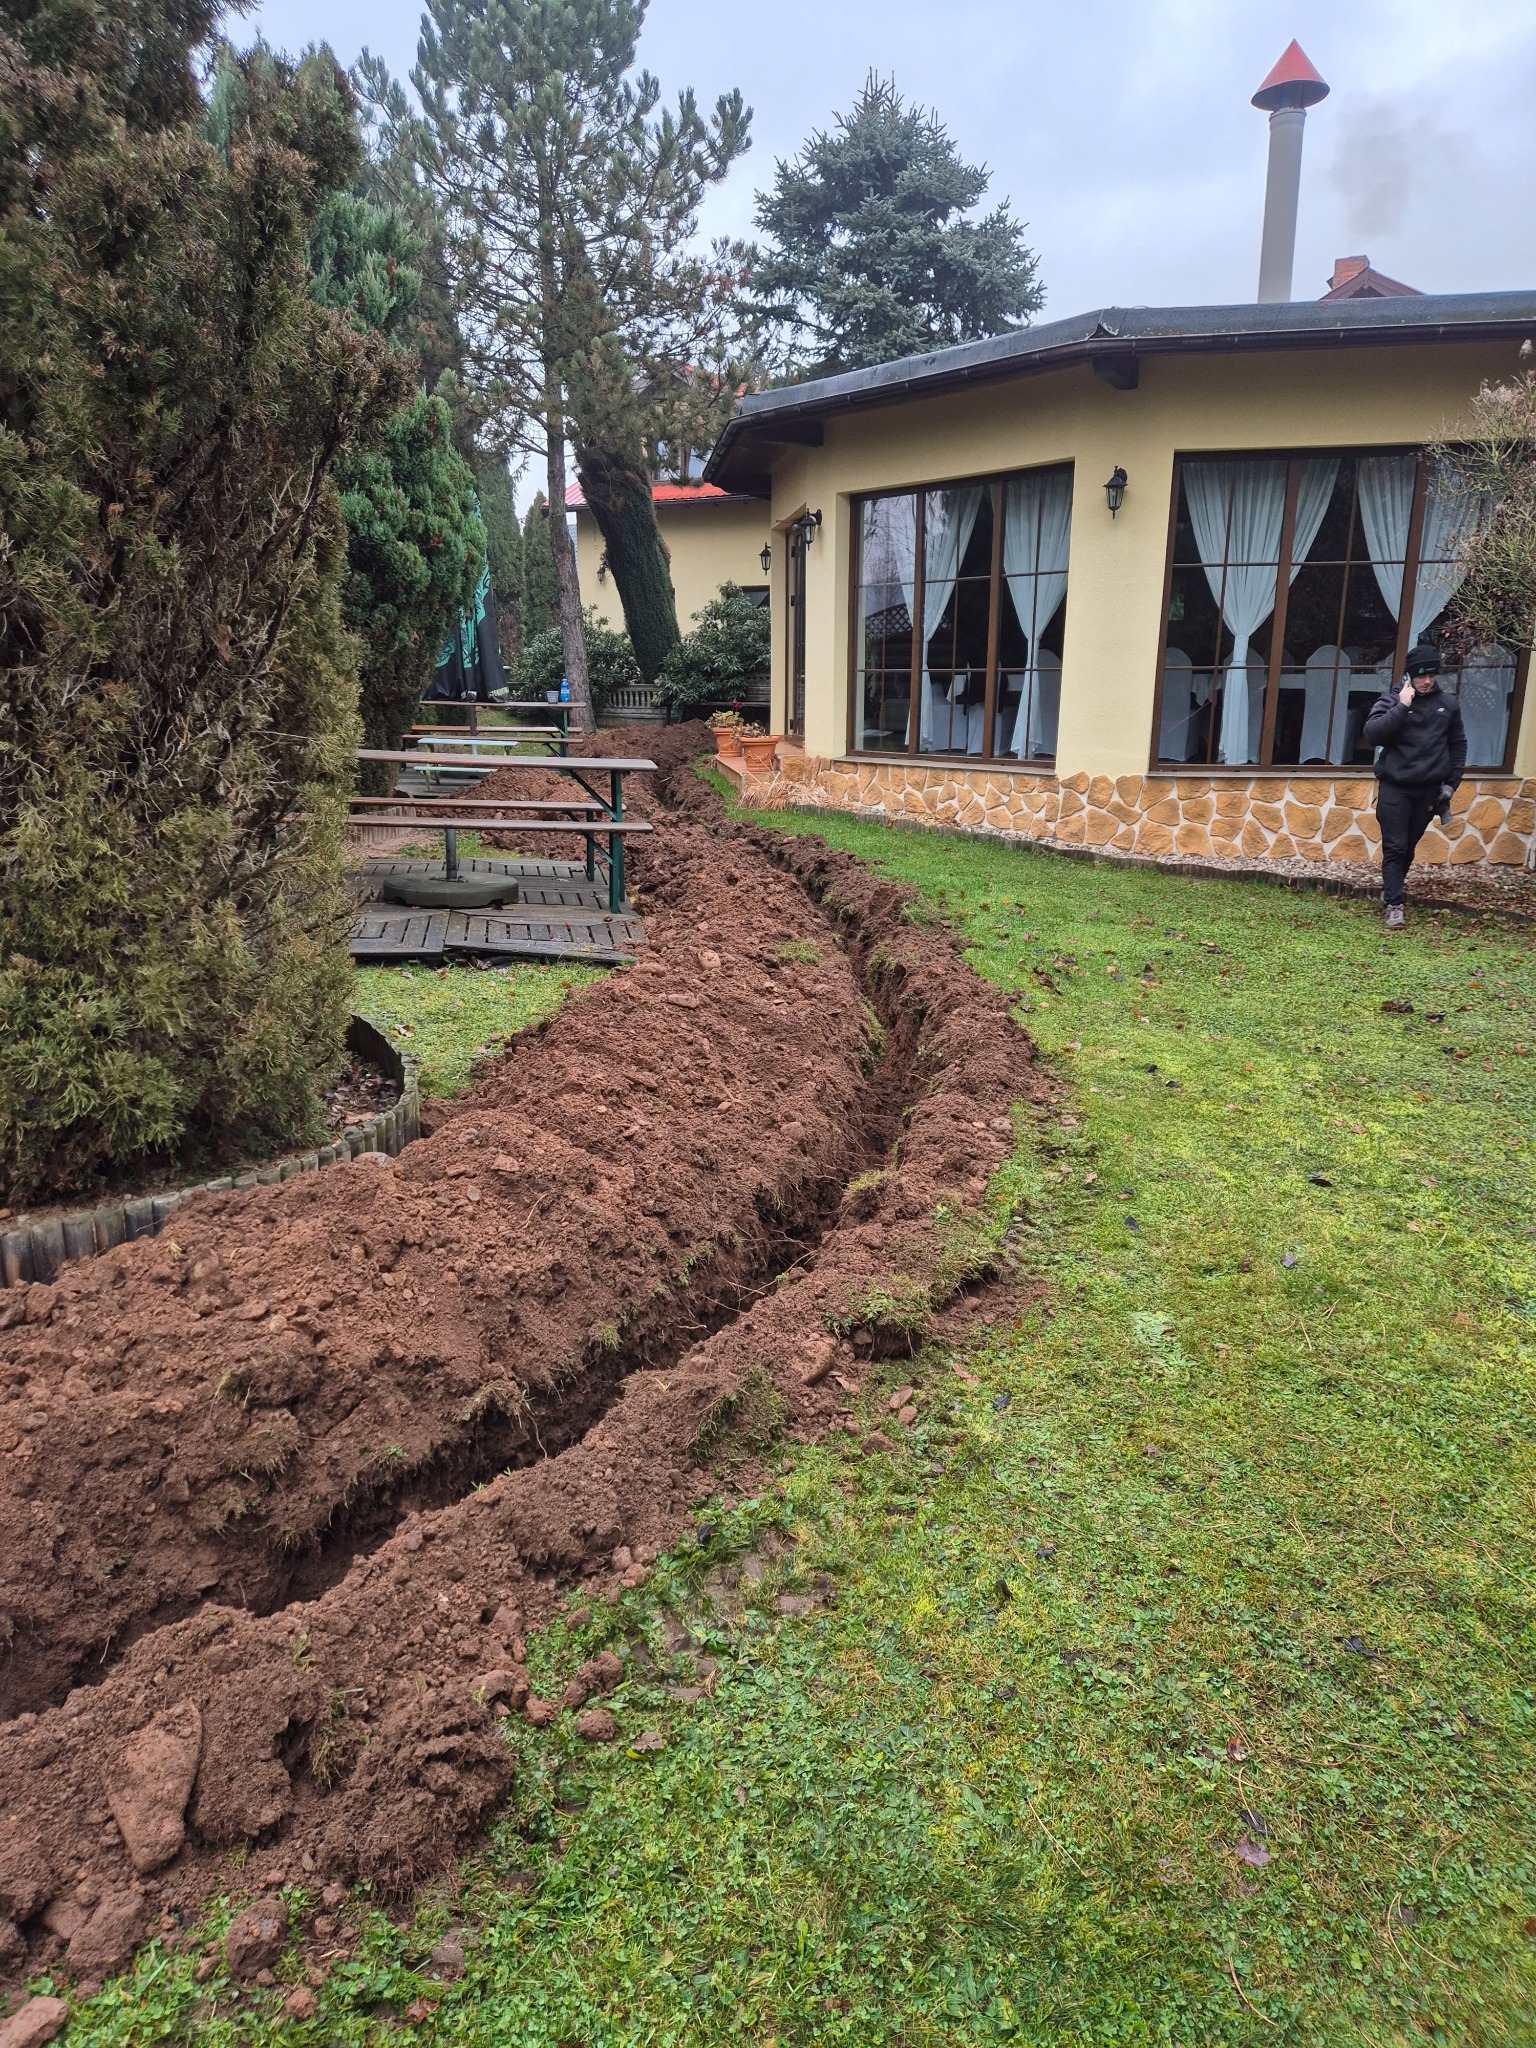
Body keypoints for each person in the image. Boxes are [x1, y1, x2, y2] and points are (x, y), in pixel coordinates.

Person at [1362, 641, 1466, 932]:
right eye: (1421, 675)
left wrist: (1452, 784)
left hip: (1428, 790)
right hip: (1395, 788)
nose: (1427, 681)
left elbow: (1458, 744)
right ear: (1410, 675)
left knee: (1407, 848)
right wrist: (1403, 706)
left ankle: (1390, 891)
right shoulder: (1392, 700)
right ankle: (1394, 905)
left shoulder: (1448, 705)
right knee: (1395, 847)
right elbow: (1372, 734)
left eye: (1431, 675)